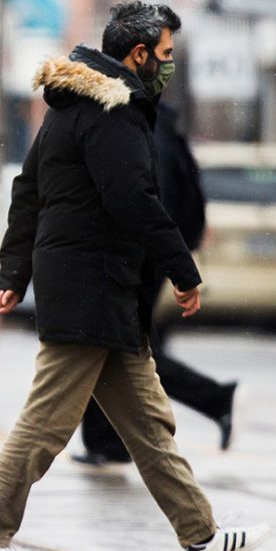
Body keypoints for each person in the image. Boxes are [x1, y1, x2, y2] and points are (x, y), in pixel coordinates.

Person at [0, 2, 269, 551]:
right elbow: (132, 199)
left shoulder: (74, 106)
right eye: (166, 56)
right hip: (89, 286)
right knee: (47, 422)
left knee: (149, 423)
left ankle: (201, 538)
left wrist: (14, 272)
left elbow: (30, 191)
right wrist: (183, 268)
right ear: (138, 55)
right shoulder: (113, 109)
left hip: (99, 286)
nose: (170, 67)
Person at [76, 99, 238, 465]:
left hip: (142, 256)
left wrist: (168, 262)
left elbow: (149, 201)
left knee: (126, 347)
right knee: (122, 344)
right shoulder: (158, 123)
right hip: (149, 253)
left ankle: (215, 399)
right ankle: (109, 442)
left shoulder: (144, 125)